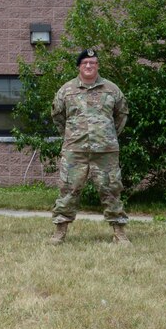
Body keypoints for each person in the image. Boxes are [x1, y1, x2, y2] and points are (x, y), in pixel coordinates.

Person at [48, 48, 131, 245]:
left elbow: (122, 115)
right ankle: (59, 232)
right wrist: (71, 136)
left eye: (92, 63)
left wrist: (108, 135)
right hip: (75, 152)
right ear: (79, 66)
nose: (88, 65)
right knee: (68, 190)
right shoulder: (66, 90)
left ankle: (119, 233)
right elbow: (57, 116)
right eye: (85, 62)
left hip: (105, 152)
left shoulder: (111, 90)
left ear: (97, 66)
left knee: (111, 190)